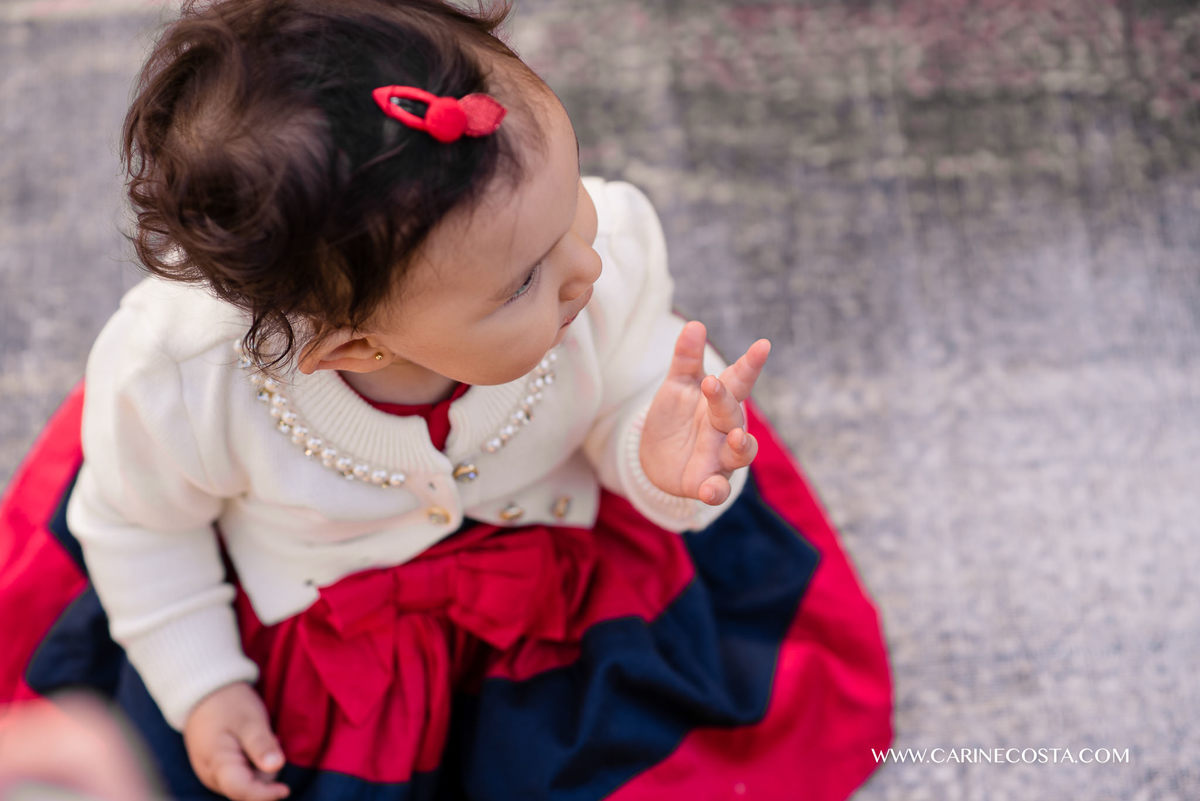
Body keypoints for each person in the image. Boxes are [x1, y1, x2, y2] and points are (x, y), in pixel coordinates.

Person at [0, 1, 893, 799]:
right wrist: (205, 684)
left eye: (570, 200)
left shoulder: (599, 253)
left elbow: (636, 399)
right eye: (523, 283)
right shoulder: (181, 382)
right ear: (357, 346)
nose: (584, 266)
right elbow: (142, 533)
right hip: (325, 634)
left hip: (556, 586)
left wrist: (655, 460)